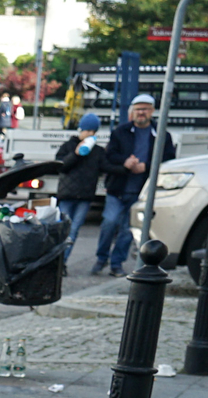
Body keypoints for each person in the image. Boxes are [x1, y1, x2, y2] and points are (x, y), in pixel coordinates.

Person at [93, 93, 176, 277]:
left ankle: (116, 264)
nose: (141, 113)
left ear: (152, 111)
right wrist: (125, 163)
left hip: (141, 191)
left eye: (145, 109)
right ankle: (101, 258)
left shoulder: (162, 135)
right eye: (138, 109)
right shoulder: (120, 132)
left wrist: (146, 166)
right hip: (118, 188)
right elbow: (109, 157)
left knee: (127, 230)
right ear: (132, 111)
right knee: (109, 222)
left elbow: (169, 158)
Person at [52, 111, 105, 261]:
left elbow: (106, 167)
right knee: (62, 228)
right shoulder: (68, 146)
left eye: (93, 132)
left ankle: (63, 262)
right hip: (67, 195)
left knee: (74, 230)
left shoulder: (97, 151)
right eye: (87, 131)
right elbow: (60, 166)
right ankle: (55, 260)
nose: (90, 134)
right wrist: (75, 154)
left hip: (85, 196)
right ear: (80, 130)